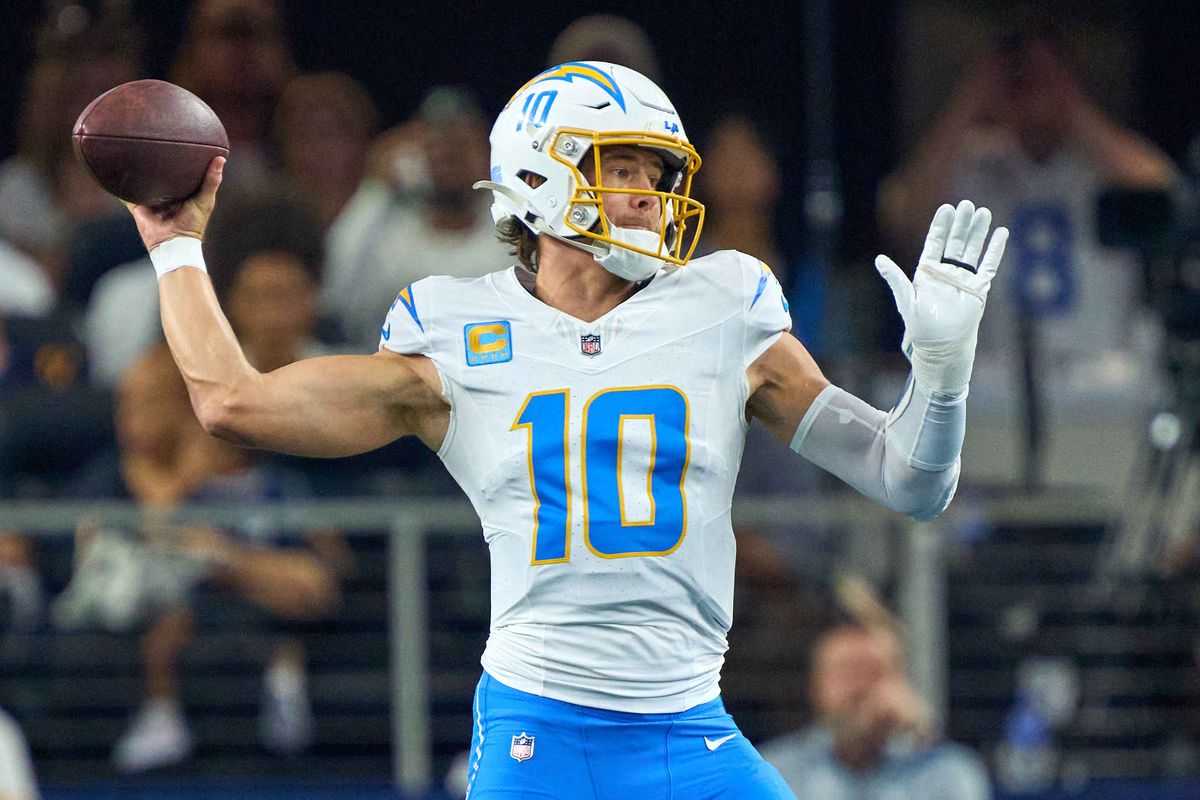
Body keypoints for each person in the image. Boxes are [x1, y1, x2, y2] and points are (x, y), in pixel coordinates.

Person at [122, 61, 1008, 799]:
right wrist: (173, 244)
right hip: (540, 732)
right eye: (626, 169)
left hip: (691, 731)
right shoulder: (454, 334)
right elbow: (229, 400)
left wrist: (942, 372)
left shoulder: (726, 306)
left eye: (659, 176)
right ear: (543, 174)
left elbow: (911, 484)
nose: (653, 196)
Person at [878, 22, 1177, 487]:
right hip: (995, 377)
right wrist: (972, 99)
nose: (1032, 90)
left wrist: (1070, 109)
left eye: (1046, 77)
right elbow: (902, 216)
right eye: (1022, 78)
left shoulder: (1104, 166)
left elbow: (1166, 197)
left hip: (1100, 379)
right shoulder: (976, 163)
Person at [323, 86, 510, 349]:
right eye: (435, 148)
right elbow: (337, 288)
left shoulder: (512, 226)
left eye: (461, 146)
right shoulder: (392, 233)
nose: (448, 159)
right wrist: (375, 187)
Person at [759, 622, 991, 799]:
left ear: (901, 683)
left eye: (873, 672)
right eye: (846, 673)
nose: (860, 689)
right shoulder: (771, 772)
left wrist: (922, 734)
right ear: (816, 687)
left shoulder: (947, 770)